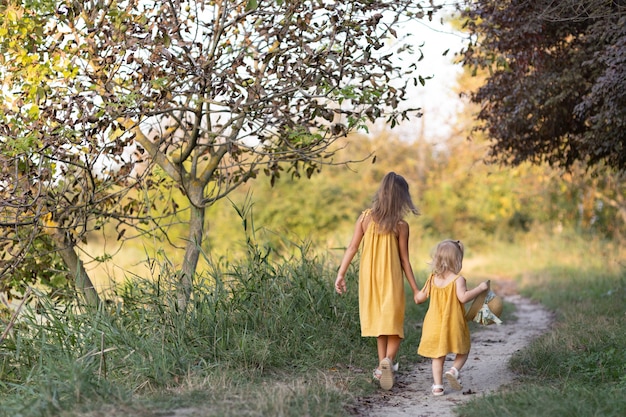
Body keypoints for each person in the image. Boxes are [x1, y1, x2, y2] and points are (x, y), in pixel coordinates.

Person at [334, 172, 424, 390]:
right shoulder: (401, 225)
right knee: (395, 325)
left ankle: (381, 367)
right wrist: (415, 289)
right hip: (391, 278)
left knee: (381, 325)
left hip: (369, 279)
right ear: (402, 198)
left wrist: (341, 273)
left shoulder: (365, 218)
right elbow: (404, 260)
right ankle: (387, 363)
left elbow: (352, 247)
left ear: (382, 193)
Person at [416, 239, 489, 396]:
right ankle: (454, 370)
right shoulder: (458, 279)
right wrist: (480, 288)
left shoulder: (432, 278)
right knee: (463, 349)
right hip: (453, 322)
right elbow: (463, 298)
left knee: (437, 355)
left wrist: (417, 294)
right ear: (457, 260)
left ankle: (437, 386)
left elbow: (420, 298)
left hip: (434, 324)